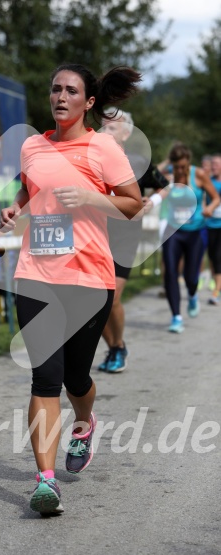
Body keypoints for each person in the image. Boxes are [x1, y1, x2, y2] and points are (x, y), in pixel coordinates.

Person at [0, 64, 143, 515]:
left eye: (71, 91)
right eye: (55, 89)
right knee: (44, 377)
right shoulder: (32, 146)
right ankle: (45, 481)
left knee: (75, 377)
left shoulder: (102, 147)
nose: (61, 97)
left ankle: (84, 420)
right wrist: (15, 207)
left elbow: (133, 204)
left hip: (88, 276)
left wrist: (92, 198)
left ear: (89, 102)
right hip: (36, 273)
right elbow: (32, 190)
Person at [97, 108, 169, 373]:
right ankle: (117, 347)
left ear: (126, 134)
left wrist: (154, 200)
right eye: (103, 125)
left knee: (111, 298)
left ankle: (116, 348)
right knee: (95, 304)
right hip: (94, 234)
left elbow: (165, 185)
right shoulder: (91, 159)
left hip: (125, 236)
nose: (106, 130)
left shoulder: (138, 162)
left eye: (113, 127)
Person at [146, 142, 220, 333]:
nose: (180, 170)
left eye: (183, 166)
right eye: (177, 166)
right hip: (173, 231)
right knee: (171, 272)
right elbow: (160, 194)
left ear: (188, 163)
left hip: (195, 232)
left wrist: (210, 208)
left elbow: (216, 197)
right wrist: (149, 203)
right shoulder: (169, 177)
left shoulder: (199, 175)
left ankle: (193, 295)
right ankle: (176, 317)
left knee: (190, 278)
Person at [206, 153, 221, 304]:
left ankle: (216, 292)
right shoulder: (208, 182)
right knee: (211, 256)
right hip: (209, 224)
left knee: (217, 257)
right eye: (213, 163)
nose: (214, 166)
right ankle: (216, 283)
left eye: (217, 163)